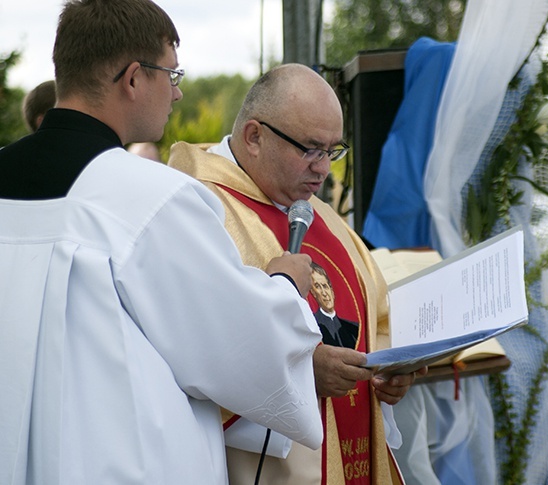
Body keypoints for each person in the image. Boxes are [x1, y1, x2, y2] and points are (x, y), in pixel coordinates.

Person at [0, 2, 323, 484]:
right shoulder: (150, 199)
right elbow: (240, 345)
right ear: (133, 79)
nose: (177, 94)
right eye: (172, 75)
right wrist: (283, 284)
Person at [168, 63, 425, 485]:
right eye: (310, 149)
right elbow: (188, 348)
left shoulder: (321, 216)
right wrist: (296, 372)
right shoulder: (194, 209)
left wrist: (391, 373)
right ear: (254, 136)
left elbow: (375, 319)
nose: (323, 169)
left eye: (333, 151)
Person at [311, 262, 360, 349]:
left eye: (325, 286)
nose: (324, 293)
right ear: (313, 293)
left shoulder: (353, 328)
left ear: (332, 291)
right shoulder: (312, 328)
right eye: (318, 287)